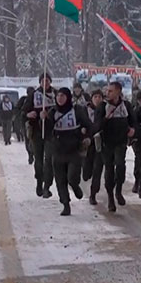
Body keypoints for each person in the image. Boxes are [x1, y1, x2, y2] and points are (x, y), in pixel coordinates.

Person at [91, 81, 135, 212]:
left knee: (120, 166)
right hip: (107, 142)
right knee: (109, 169)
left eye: (110, 91)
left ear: (118, 92)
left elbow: (133, 121)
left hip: (121, 141)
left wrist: (133, 130)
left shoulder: (126, 105)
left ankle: (119, 190)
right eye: (107, 90)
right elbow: (96, 126)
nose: (107, 93)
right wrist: (106, 118)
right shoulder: (102, 106)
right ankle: (110, 197)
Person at [52, 88, 93, 216]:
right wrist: (40, 119)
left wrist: (86, 135)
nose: (60, 98)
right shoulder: (52, 112)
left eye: (63, 96)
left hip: (74, 149)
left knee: (72, 176)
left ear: (68, 97)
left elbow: (89, 125)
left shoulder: (77, 110)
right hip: (58, 150)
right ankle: (65, 203)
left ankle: (75, 186)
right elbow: (46, 130)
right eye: (58, 96)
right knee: (60, 180)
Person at [24, 73, 56, 198]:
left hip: (51, 132)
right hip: (37, 131)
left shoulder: (55, 94)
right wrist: (29, 114)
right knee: (39, 159)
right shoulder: (33, 95)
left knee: (49, 160)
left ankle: (47, 186)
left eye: (47, 81)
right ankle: (39, 181)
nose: (45, 83)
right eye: (43, 81)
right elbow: (23, 110)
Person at [82, 89, 105, 205]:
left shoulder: (106, 109)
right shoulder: (85, 110)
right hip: (88, 143)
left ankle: (93, 194)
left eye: (100, 97)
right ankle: (86, 174)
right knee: (87, 170)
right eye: (95, 97)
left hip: (101, 143)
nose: (97, 99)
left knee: (98, 169)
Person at [131, 89, 141, 198]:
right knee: (139, 161)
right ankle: (138, 183)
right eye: (140, 100)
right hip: (137, 140)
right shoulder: (135, 111)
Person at [15, 86, 35, 164]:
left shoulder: (37, 100)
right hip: (25, 122)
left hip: (35, 122)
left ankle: (34, 153)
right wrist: (23, 114)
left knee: (34, 139)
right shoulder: (24, 100)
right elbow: (17, 109)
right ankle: (30, 154)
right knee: (28, 139)